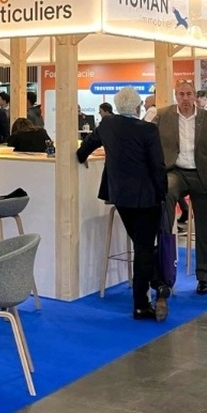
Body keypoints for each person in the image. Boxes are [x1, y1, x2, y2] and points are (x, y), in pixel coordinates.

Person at [77, 87, 167, 320]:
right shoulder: (148, 129)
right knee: (144, 248)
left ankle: (158, 282)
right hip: (147, 197)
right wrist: (163, 193)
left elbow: (85, 147)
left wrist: (80, 158)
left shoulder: (107, 124)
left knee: (141, 244)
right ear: (138, 107)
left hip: (120, 196)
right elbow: (157, 165)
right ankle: (142, 303)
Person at [154, 79, 207, 294]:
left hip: (201, 174)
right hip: (175, 171)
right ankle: (165, 265)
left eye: (188, 94)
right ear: (176, 95)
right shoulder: (162, 116)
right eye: (181, 94)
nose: (185, 98)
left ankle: (204, 277)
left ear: (195, 95)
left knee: (204, 226)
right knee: (166, 193)